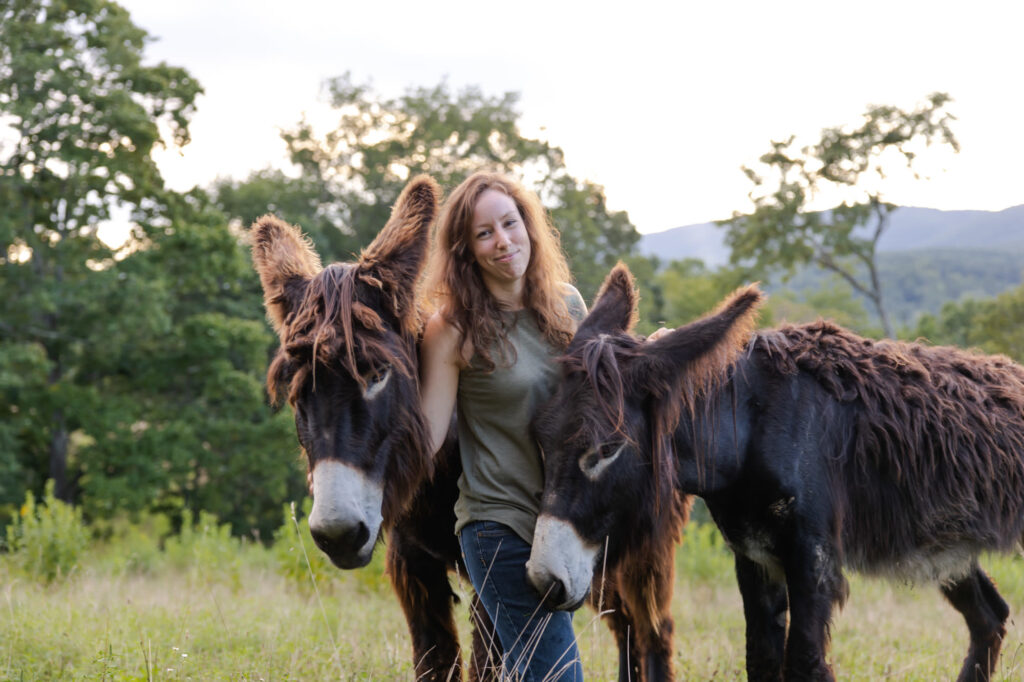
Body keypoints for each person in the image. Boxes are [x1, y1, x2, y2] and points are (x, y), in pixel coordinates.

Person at [419, 171, 587, 681]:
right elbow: (424, 439)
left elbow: (599, 400)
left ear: (529, 226)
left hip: (562, 527)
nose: (503, 241)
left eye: (509, 224)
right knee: (559, 674)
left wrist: (646, 352)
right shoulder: (451, 329)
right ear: (466, 250)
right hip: (498, 527)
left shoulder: (567, 306)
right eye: (484, 233)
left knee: (531, 670)